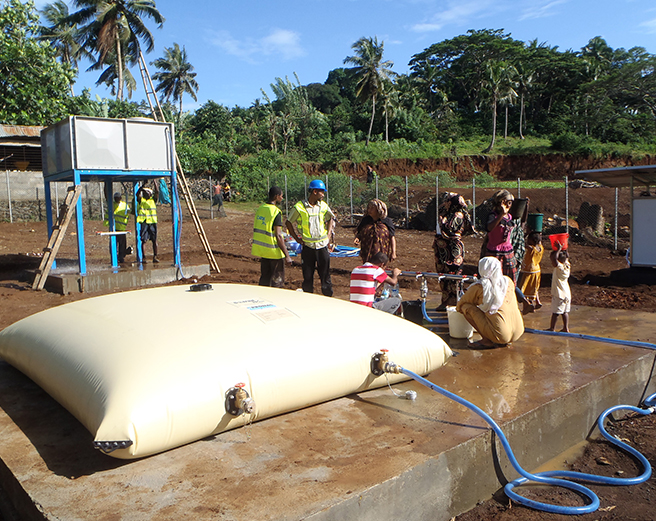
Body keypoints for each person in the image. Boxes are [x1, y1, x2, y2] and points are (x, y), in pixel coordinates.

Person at [456, 257, 525, 348]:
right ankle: (502, 337)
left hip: (501, 336)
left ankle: (486, 340)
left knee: (466, 307)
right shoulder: (508, 281)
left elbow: (460, 304)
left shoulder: (480, 287)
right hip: (518, 332)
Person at [286, 179, 335, 296]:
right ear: (314, 191)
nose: (323, 195)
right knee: (307, 277)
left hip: (322, 246)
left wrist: (328, 234)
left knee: (325, 276)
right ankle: (308, 300)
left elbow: (331, 218)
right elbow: (288, 222)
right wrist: (296, 239)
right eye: (321, 192)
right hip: (308, 247)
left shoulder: (323, 206)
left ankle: (329, 298)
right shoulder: (299, 207)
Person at [433, 192, 472, 310]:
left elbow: (449, 230)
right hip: (443, 250)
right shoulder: (447, 214)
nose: (445, 203)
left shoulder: (458, 215)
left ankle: (456, 303)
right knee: (444, 276)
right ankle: (445, 301)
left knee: (454, 276)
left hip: (452, 250)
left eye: (447, 201)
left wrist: (442, 220)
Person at [252, 186, 292, 287]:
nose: (282, 198)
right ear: (276, 196)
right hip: (274, 252)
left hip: (263, 251)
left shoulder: (261, 209)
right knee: (277, 281)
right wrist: (287, 255)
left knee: (264, 279)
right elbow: (278, 235)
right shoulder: (276, 212)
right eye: (281, 196)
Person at [484, 189, 517, 282]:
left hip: (508, 253)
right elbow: (489, 228)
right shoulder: (493, 216)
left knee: (510, 281)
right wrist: (501, 214)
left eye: (510, 203)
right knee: (493, 281)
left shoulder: (509, 217)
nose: (508, 206)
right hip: (495, 253)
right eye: (506, 203)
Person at [354, 199, 396, 263]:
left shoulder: (387, 221)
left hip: (381, 251)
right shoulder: (366, 220)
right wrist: (357, 239)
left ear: (378, 209)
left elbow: (392, 237)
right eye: (369, 208)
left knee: (380, 264)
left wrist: (393, 252)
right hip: (367, 250)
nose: (369, 210)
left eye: (372, 208)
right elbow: (359, 233)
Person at [517, 231, 544, 314]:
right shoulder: (540, 247)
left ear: (531, 241)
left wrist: (524, 235)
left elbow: (523, 244)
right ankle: (534, 305)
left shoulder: (531, 248)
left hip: (529, 270)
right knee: (532, 288)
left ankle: (527, 306)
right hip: (537, 270)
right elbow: (538, 241)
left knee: (524, 289)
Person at [547, 242, 571, 332]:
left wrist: (559, 249)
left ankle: (552, 328)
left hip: (559, 294)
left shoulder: (559, 268)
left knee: (555, 312)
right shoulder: (567, 265)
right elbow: (567, 256)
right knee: (565, 312)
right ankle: (566, 327)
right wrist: (565, 248)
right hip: (567, 293)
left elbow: (555, 260)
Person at [103, 192, 131, 264]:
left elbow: (129, 213)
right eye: (116, 198)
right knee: (113, 244)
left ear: (120, 198)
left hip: (121, 228)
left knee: (122, 244)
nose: (117, 199)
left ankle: (121, 257)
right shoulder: (112, 205)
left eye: (118, 197)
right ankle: (114, 257)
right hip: (113, 228)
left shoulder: (124, 205)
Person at [137, 187, 159, 264]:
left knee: (154, 240)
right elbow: (137, 194)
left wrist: (155, 181)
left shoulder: (153, 200)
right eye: (146, 193)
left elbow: (157, 192)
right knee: (144, 240)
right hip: (144, 222)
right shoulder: (141, 200)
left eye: (148, 193)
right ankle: (144, 257)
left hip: (152, 222)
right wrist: (142, 187)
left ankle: (155, 256)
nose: (147, 194)